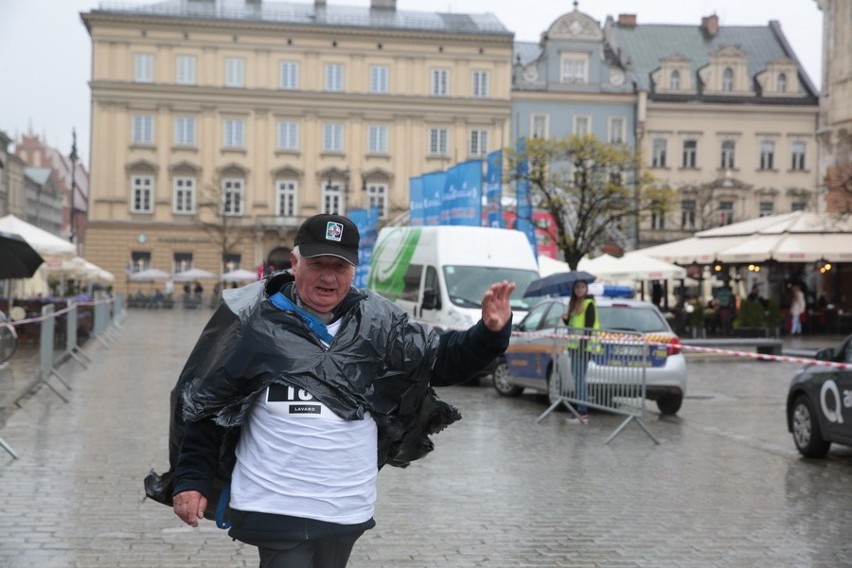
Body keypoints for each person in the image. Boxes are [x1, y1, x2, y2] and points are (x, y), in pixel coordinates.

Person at [144, 213, 516, 568]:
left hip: (345, 507)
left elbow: (440, 360)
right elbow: (209, 406)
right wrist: (191, 479)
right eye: (318, 264)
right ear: (295, 262)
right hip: (277, 505)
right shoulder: (255, 322)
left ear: (354, 270)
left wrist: (489, 333)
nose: (328, 277)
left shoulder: (377, 323)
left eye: (339, 267)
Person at [561, 279, 599, 424]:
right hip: (574, 347)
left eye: (582, 287)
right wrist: (566, 320)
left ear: (586, 289)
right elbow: (573, 326)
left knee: (579, 380)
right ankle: (580, 411)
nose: (580, 289)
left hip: (583, 348)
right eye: (577, 287)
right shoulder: (573, 305)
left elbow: (588, 327)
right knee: (577, 379)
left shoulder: (589, 304)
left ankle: (582, 413)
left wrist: (583, 345)